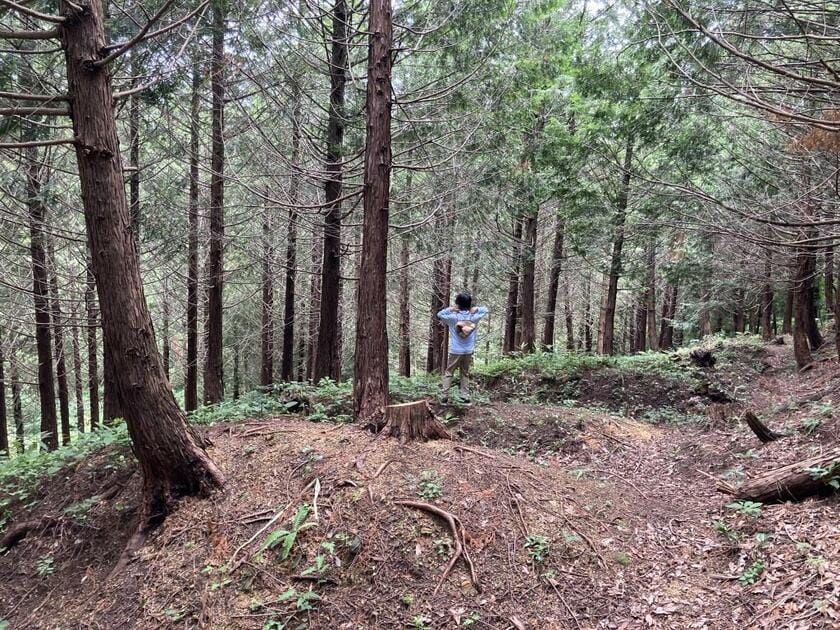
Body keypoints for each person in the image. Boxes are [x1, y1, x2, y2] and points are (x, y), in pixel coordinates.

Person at [436, 292, 489, 402]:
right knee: (465, 373)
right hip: (468, 350)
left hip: (455, 350)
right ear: (469, 304)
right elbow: (486, 310)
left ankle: (444, 396)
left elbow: (440, 314)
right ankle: (465, 396)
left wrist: (451, 309)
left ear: (457, 304)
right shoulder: (474, 317)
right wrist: (475, 309)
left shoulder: (453, 318)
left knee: (449, 372)